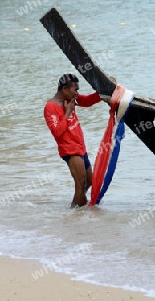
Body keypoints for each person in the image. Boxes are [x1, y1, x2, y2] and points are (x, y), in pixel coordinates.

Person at [44, 74, 104, 208]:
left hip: (81, 147)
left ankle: (74, 210)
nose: (77, 93)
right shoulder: (50, 107)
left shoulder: (71, 99)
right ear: (65, 89)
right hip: (70, 149)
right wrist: (68, 112)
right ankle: (83, 212)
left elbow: (88, 100)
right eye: (74, 90)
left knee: (89, 181)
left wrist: (104, 90)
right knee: (80, 182)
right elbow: (57, 132)